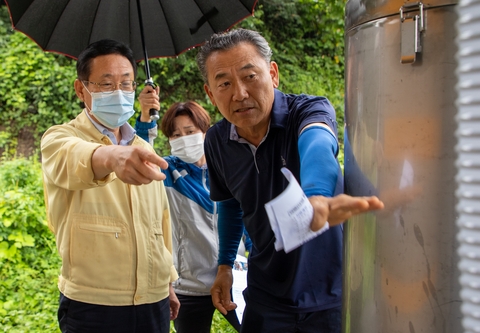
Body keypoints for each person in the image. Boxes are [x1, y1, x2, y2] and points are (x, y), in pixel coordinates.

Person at [195, 28, 385, 333]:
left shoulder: (308, 111)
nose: (240, 94)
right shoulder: (217, 140)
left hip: (330, 295)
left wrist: (318, 195)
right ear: (209, 93)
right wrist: (225, 265)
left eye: (250, 76)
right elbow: (231, 204)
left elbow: (318, 143)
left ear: (273, 74)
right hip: (265, 296)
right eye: (225, 83)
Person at [40, 39, 179, 333]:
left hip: (153, 301)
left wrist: (167, 280)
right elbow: (74, 158)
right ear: (81, 90)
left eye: (126, 84)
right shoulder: (59, 138)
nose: (119, 92)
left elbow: (161, 223)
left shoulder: (142, 146)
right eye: (106, 84)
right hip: (93, 305)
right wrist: (111, 156)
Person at [135, 99, 248, 332]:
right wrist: (146, 118)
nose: (183, 139)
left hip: (232, 278)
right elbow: (141, 156)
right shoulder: (168, 172)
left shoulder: (229, 169)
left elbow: (246, 218)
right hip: (188, 286)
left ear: (205, 132)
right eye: (175, 135)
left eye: (189, 131)